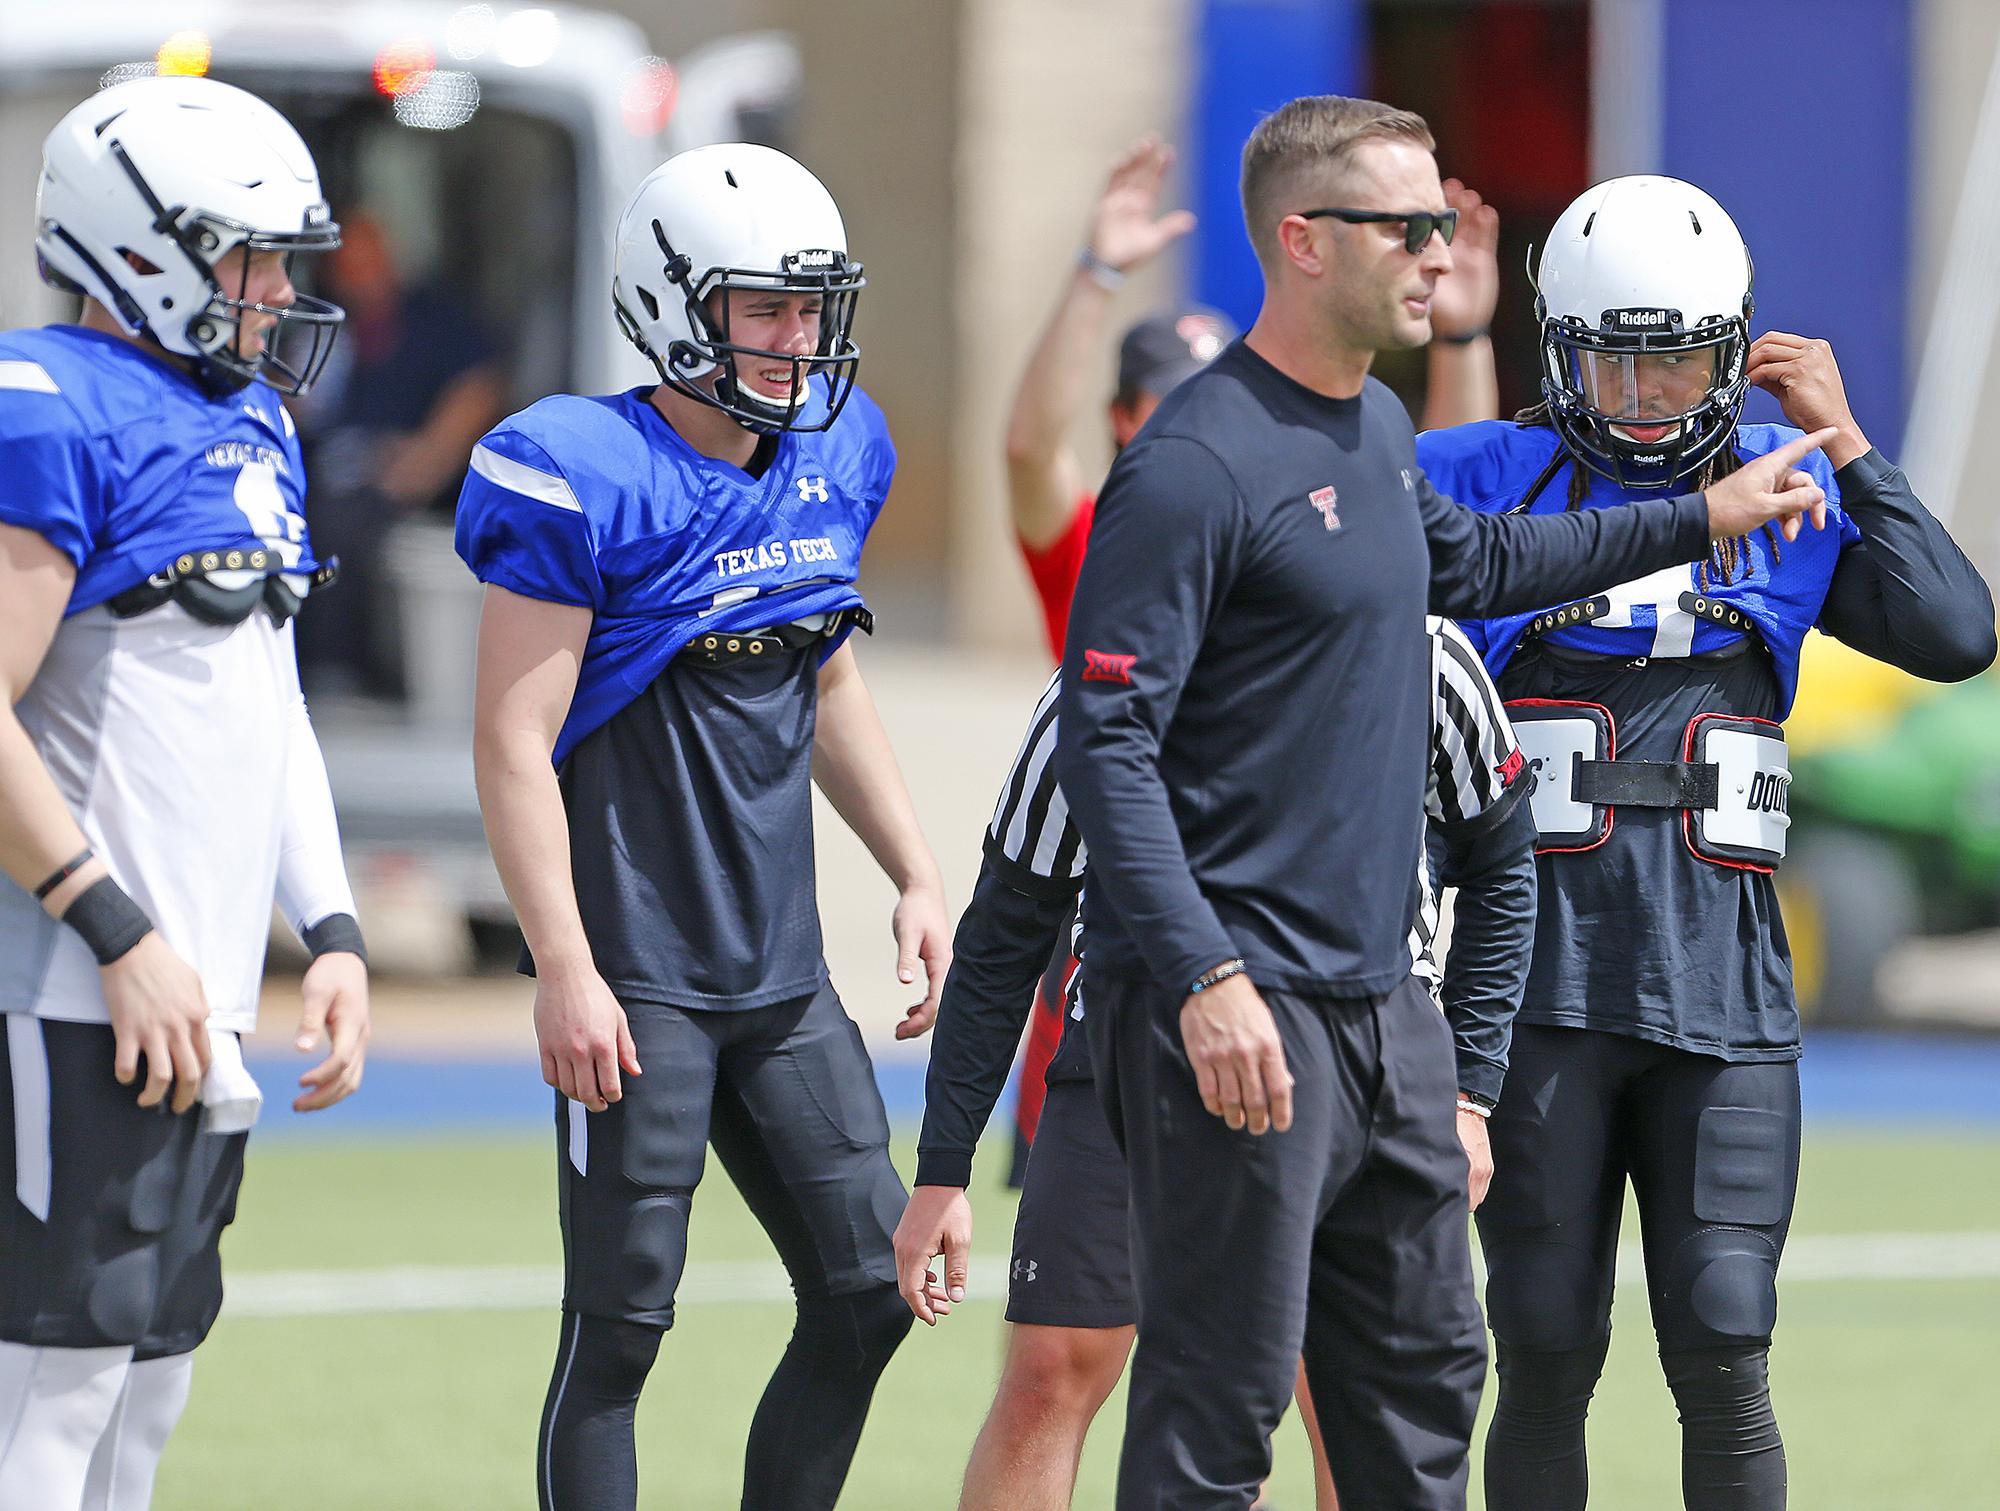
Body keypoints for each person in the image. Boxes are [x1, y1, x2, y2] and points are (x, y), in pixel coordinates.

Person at [1052, 94, 1843, 1511]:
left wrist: (1701, 516)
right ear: (1303, 241)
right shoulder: (1190, 463)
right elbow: (1105, 746)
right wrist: (1204, 972)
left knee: (1419, 1403)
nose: (1438, 250)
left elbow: (1486, 562)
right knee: (1219, 1414)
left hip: (1385, 1021)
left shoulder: (1366, 427)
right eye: (1404, 224)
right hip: (1248, 1008)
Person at [1414, 175, 1996, 1511]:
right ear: (1563, 346)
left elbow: (1957, 630)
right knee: (1548, 1343)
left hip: (1725, 992)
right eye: (1619, 356)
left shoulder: (1783, 488)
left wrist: (1847, 441)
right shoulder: (1490, 474)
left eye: (1680, 354)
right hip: (1537, 988)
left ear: (1731, 347)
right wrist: (1453, 349)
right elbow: (1371, 548)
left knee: (1727, 1341)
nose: (1652, 392)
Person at [456, 143, 952, 1511]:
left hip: (781, 974)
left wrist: (911, 864)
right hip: (636, 976)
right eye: (766, 308)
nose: (799, 341)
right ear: (674, 302)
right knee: (619, 1328)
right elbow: (511, 735)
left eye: (812, 308)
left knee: (870, 1286)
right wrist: (563, 961)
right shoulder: (580, 465)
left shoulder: (836, 450)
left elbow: (823, 665)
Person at [895, 614, 1538, 1511]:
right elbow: (1008, 923)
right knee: (1052, 1369)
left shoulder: (1422, 647)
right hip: (1134, 1044)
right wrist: (942, 1166)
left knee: (1351, 1398)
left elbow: (1506, 862)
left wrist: (1470, 1091)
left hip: (1361, 1062)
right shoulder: (1109, 673)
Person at [997, 135, 1503, 1187]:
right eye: (1156, 399)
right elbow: (1025, 451)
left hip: (1282, 930)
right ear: (1124, 418)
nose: (1183, 413)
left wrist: (1459, 338)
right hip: (1121, 926)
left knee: (1294, 1319)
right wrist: (1094, 276)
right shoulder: (1108, 528)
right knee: (1068, 1344)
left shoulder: (1289, 491)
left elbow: (1429, 515)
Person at [0, 76, 370, 1509]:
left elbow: (263, 699)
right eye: (248, 255)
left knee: (149, 1387)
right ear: (136, 245)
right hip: (77, 982)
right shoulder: (50, 400)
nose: (276, 291)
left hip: (195, 986)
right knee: (52, 1387)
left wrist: (329, 927)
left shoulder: (252, 424)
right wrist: (114, 929)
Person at [293, 211, 508, 697]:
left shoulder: (434, 318)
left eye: (366, 259)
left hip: (408, 476)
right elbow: (297, 401)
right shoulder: (322, 320)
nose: (356, 272)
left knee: (342, 526)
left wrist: (427, 458)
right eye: (345, 263)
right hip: (329, 464)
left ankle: (341, 669)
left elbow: (479, 388)